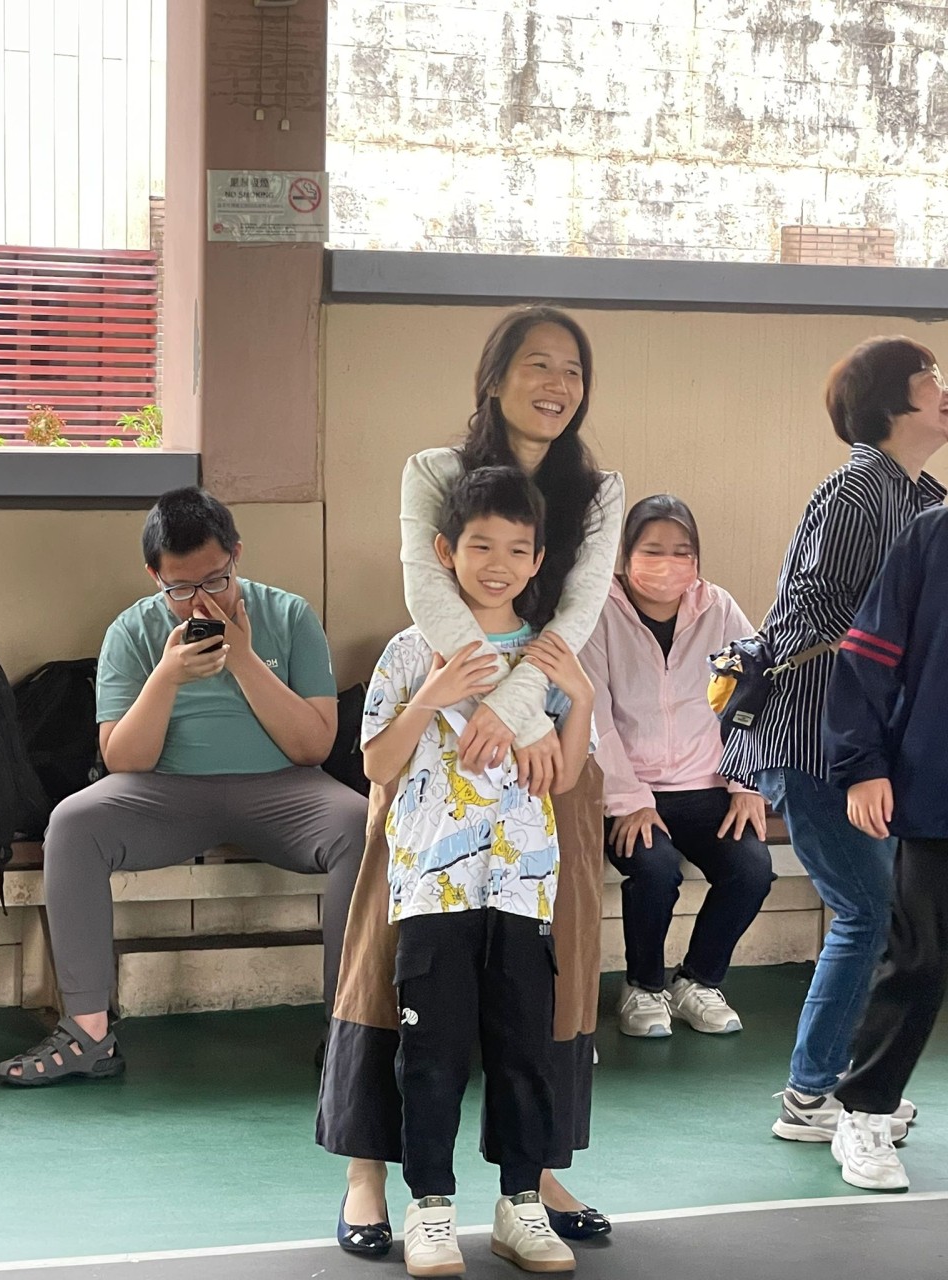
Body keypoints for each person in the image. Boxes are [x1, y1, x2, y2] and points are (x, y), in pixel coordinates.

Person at [318, 305, 625, 1251]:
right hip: (442, 749)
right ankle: (373, 1177)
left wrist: (534, 717)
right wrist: (500, 712)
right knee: (394, 968)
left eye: (572, 368)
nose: (557, 383)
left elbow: (577, 614)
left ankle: (535, 1178)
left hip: (543, 759)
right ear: (494, 376)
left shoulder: (597, 491)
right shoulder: (435, 472)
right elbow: (426, 593)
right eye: (538, 364)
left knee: (548, 978)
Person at [0, 487, 366, 1085]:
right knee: (73, 823)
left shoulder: (290, 615)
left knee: (360, 824)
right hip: (166, 793)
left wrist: (242, 658)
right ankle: (88, 1032)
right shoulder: (132, 631)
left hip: (284, 788)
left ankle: (351, 1027)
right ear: (155, 578)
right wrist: (165, 677)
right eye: (181, 589)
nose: (201, 601)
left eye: (216, 581)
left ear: (236, 555)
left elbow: (315, 746)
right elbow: (123, 760)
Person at [363, 466, 594, 1275]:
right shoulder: (409, 650)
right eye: (481, 546)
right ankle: (429, 1209)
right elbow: (377, 764)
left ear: (539, 562)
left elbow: (564, 777)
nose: (499, 564)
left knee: (524, 1053)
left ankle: (521, 1205)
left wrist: (580, 700)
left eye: (517, 550)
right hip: (433, 891)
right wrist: (430, 695)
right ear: (444, 552)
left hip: (523, 890)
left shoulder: (547, 654)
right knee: (431, 1059)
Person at [719, 338, 947, 1142]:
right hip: (817, 735)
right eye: (931, 377)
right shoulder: (857, 492)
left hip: (858, 744)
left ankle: (838, 1087)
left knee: (877, 913)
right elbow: (817, 617)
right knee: (868, 910)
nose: (945, 388)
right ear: (890, 399)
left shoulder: (919, 495)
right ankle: (814, 1094)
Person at [581, 495, 773, 1039]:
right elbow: (594, 716)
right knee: (654, 869)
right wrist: (629, 801)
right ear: (625, 554)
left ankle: (698, 981)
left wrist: (745, 783)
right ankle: (643, 987)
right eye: (652, 550)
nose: (667, 563)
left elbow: (751, 696)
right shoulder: (598, 612)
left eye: (681, 551)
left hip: (706, 784)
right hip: (628, 791)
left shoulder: (718, 608)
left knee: (751, 869)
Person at [824, 474, 948, 1191]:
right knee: (920, 959)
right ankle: (865, 1110)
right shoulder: (930, 535)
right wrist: (862, 765)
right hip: (936, 790)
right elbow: (867, 656)